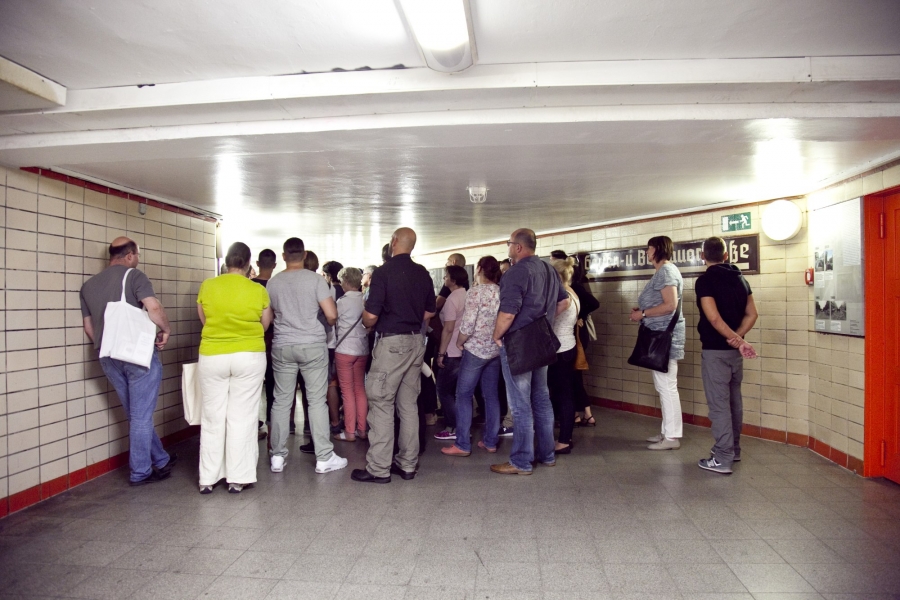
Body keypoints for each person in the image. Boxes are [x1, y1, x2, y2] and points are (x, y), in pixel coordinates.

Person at [80, 237, 173, 486]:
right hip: (136, 355)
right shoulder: (133, 276)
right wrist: (165, 329)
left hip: (108, 355)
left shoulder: (88, 286)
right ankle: (141, 471)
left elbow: (90, 328)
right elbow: (153, 308)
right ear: (130, 255)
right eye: (138, 256)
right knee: (141, 415)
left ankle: (161, 459)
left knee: (135, 413)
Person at [351, 227, 435, 484]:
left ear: (394, 242)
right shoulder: (422, 273)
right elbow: (429, 312)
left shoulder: (383, 272)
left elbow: (371, 316)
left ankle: (378, 468)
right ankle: (407, 464)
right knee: (408, 405)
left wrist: (366, 321)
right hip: (416, 342)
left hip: (392, 344)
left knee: (381, 403)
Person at [266, 238, 348, 475]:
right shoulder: (316, 280)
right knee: (316, 401)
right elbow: (332, 315)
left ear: (283, 256)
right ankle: (323, 458)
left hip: (282, 346)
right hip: (312, 345)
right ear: (303, 256)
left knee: (281, 400)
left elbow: (267, 319)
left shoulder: (273, 282)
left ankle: (277, 457)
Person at [196, 242, 273, 493]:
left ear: (226, 262)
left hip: (213, 355)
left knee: (212, 417)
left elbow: (204, 319)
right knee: (243, 416)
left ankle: (208, 478)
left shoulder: (208, 286)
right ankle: (238, 478)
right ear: (249, 264)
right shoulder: (257, 290)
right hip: (249, 356)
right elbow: (265, 322)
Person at [490, 228, 569, 475]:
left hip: (518, 344)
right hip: (541, 340)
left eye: (509, 244)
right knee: (541, 399)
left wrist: (496, 335)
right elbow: (563, 302)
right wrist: (542, 322)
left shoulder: (515, 272)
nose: (508, 248)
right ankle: (547, 455)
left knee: (520, 404)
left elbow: (508, 312)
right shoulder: (548, 269)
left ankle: (521, 461)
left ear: (519, 247)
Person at [696, 237, 758, 474]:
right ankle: (734, 449)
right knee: (734, 402)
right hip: (734, 354)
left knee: (719, 405)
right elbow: (752, 314)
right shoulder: (741, 279)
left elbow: (713, 318)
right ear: (725, 256)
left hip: (715, 352)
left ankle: (722, 458)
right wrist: (739, 340)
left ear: (703, 256)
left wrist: (734, 339)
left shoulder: (705, 281)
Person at [629, 235, 685, 450]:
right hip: (659, 335)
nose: (646, 252)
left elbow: (670, 305)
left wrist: (643, 314)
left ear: (658, 249)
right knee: (664, 386)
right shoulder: (664, 271)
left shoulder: (667, 272)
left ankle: (671, 438)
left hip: (664, 338)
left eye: (649, 248)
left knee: (668, 387)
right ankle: (666, 432)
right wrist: (643, 313)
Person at [442, 256, 502, 456]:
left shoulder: (476, 292)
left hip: (475, 350)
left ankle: (462, 445)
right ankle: (491, 442)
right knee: (491, 395)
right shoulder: (501, 291)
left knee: (463, 394)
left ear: (479, 269)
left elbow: (468, 323)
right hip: (495, 350)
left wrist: (460, 342)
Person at [547, 256, 580, 455]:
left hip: (559, 350)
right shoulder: (573, 293)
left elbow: (548, 319)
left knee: (562, 396)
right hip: (569, 346)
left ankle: (564, 440)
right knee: (564, 394)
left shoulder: (562, 297)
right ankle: (564, 437)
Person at [333, 267, 369, 442]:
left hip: (344, 350)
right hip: (362, 349)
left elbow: (333, 321)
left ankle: (349, 432)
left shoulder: (341, 302)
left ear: (346, 282)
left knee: (347, 393)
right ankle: (362, 430)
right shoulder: (365, 300)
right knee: (360, 389)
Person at [433, 265, 469, 441]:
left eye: (446, 276)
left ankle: (453, 426)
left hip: (452, 350)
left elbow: (448, 329)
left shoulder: (452, 300)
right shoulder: (467, 295)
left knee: (444, 390)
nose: (444, 279)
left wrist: (440, 354)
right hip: (465, 350)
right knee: (458, 392)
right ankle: (462, 426)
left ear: (453, 280)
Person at [252, 249, 277, 436]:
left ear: (257, 263)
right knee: (273, 385)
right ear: (275, 265)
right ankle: (272, 424)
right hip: (275, 340)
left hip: (253, 341)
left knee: (251, 387)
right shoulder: (277, 285)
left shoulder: (250, 286)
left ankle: (252, 423)